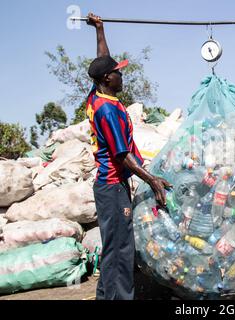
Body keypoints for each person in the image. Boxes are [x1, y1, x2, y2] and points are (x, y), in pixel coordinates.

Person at [85, 13, 172, 299]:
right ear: (108, 78)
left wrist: (100, 29)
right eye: (118, 72)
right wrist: (152, 180)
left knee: (114, 248)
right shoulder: (107, 110)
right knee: (121, 252)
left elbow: (103, 58)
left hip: (110, 186)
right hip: (112, 186)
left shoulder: (98, 96)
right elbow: (122, 156)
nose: (122, 74)